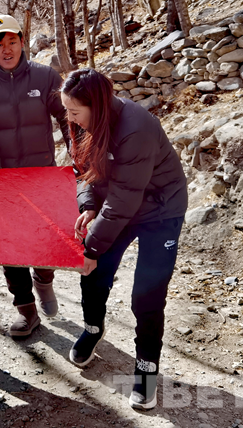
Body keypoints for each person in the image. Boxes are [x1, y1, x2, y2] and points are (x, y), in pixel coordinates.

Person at [60, 68, 188, 411]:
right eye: (66, 110)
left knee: (147, 293)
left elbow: (124, 200)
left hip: (160, 210)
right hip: (118, 203)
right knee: (93, 273)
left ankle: (146, 368)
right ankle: (93, 328)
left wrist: (91, 247)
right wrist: (89, 205)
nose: (69, 118)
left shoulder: (136, 128)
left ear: (98, 107)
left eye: (74, 112)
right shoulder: (82, 121)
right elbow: (81, 170)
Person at [0, 14, 69, 338]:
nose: (6, 49)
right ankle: (26, 310)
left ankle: (44, 280)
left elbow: (67, 116)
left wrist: (77, 151)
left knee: (45, 239)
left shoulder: (45, 77)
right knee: (10, 246)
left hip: (42, 176)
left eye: (12, 41)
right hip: (3, 181)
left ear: (22, 41)